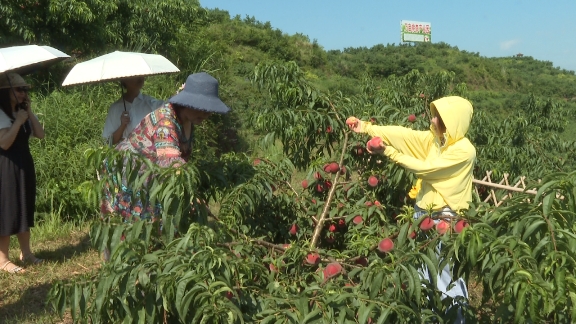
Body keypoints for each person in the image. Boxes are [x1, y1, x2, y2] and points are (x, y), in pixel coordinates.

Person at [347, 96, 475, 323]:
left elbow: (427, 169)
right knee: (424, 274)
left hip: (445, 219)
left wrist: (388, 152)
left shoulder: (464, 151)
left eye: (439, 116)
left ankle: (457, 320)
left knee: (446, 278)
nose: (433, 119)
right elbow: (403, 135)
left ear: (453, 121)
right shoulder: (436, 140)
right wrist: (366, 127)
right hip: (423, 215)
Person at [100, 72, 230, 223]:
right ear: (187, 102)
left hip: (148, 172)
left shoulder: (188, 119)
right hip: (127, 172)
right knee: (131, 225)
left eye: (208, 109)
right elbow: (170, 162)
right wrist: (192, 194)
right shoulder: (166, 122)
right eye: (200, 107)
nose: (205, 113)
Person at [0, 72, 46, 274]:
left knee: (23, 205)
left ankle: (26, 253)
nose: (23, 93)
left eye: (25, 89)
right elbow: (4, 143)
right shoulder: (0, 114)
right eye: (19, 89)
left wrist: (29, 112)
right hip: (6, 165)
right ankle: (2, 259)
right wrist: (18, 121)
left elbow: (40, 134)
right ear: (6, 91)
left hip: (24, 163)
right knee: (7, 209)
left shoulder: (22, 112)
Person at [102, 76, 165, 146]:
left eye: (141, 74)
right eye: (135, 76)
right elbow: (109, 141)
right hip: (125, 155)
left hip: (148, 154)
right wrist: (122, 125)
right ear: (124, 79)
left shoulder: (151, 103)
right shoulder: (116, 108)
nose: (140, 78)